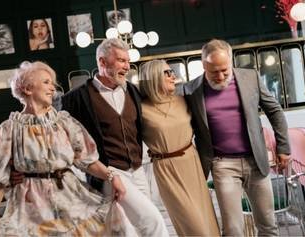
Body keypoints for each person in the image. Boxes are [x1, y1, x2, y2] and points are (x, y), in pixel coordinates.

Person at [0, 61, 134, 236]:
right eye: (46, 82)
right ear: (27, 88)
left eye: (52, 83)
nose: (53, 88)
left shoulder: (64, 122)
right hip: (30, 207)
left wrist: (111, 176)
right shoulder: (9, 129)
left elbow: (87, 160)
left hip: (70, 197)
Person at [178, 39, 291, 236]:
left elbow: (275, 112)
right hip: (222, 165)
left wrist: (283, 147)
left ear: (231, 61)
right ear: (204, 65)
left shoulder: (250, 77)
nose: (221, 76)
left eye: (225, 69)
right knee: (233, 229)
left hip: (256, 160)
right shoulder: (191, 90)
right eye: (214, 71)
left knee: (268, 225)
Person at [61, 38, 169, 236]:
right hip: (109, 171)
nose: (127, 66)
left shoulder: (133, 91)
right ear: (102, 62)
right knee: (152, 220)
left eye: (127, 61)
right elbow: (62, 139)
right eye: (121, 61)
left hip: (137, 170)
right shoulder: (75, 98)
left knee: (130, 229)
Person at [139, 59, 220, 236]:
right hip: (166, 169)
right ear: (152, 78)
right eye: (166, 73)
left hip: (192, 163)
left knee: (206, 219)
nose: (172, 76)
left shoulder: (184, 99)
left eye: (172, 72)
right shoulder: (140, 109)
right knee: (192, 225)